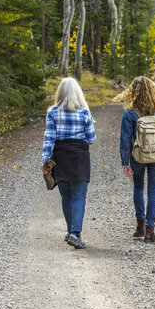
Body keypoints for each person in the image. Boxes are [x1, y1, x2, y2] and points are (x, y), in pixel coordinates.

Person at [117, 76, 155, 242]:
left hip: (137, 156)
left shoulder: (129, 113)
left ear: (132, 92)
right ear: (153, 91)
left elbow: (125, 139)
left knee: (138, 188)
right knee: (153, 190)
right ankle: (150, 231)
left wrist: (125, 162)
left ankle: (140, 227)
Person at [42, 77, 96, 249]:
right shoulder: (83, 112)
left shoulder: (52, 112)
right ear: (77, 92)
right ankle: (75, 234)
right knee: (79, 195)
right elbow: (92, 138)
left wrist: (45, 160)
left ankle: (69, 231)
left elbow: (49, 138)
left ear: (60, 92)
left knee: (66, 196)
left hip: (60, 156)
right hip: (79, 155)